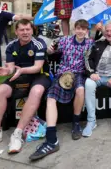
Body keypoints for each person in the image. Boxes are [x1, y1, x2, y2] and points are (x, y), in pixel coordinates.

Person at [0, 20, 51, 154]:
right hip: (19, 75)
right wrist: (6, 71)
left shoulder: (39, 44)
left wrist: (20, 70)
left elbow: (37, 67)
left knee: (36, 91)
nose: (25, 32)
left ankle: (18, 133)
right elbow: (10, 67)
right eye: (22, 30)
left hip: (39, 76)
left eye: (28, 29)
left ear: (32, 31)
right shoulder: (11, 46)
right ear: (16, 32)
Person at [28, 19, 93, 161]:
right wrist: (50, 50)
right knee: (51, 97)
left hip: (79, 74)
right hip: (63, 73)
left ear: (87, 31)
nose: (81, 31)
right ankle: (51, 138)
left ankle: (76, 123)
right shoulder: (64, 41)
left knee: (81, 90)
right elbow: (51, 52)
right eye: (78, 28)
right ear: (74, 29)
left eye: (84, 29)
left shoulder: (90, 43)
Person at [82, 20, 111, 137]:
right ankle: (91, 121)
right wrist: (91, 73)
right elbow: (87, 59)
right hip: (97, 76)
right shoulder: (97, 43)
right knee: (88, 84)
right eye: (107, 31)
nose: (109, 33)